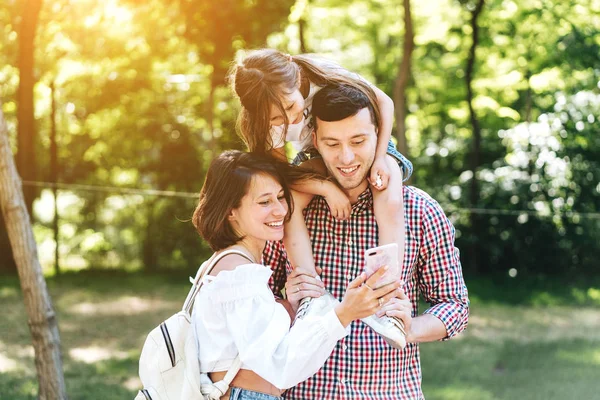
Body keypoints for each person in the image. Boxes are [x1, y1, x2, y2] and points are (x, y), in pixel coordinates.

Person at [263, 84, 470, 399]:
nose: (346, 157)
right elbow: (254, 303)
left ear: (379, 136)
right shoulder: (289, 213)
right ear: (315, 140)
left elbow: (455, 306)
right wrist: (288, 306)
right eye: (332, 143)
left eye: (358, 141)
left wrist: (411, 328)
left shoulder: (419, 210)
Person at [229, 48, 412, 345]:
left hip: (367, 147)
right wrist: (325, 188)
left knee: (387, 194)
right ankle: (310, 297)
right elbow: (281, 173)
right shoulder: (268, 123)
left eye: (290, 106)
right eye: (278, 117)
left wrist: (379, 157)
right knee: (289, 206)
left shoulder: (320, 73)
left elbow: (384, 102)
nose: (290, 119)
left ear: (294, 75)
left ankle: (388, 299)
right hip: (315, 156)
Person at [191, 150, 402, 400]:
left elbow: (256, 348)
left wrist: (289, 307)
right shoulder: (237, 273)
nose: (281, 210)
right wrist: (345, 313)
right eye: (264, 202)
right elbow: (282, 366)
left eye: (281, 197)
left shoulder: (236, 265)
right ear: (230, 211)